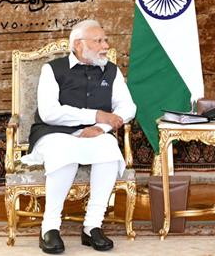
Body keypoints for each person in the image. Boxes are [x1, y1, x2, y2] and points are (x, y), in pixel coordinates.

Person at [22, 19, 136, 254]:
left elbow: (128, 107)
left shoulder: (111, 71)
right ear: (78, 44)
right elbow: (49, 113)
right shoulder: (52, 70)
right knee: (64, 150)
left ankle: (92, 226)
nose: (106, 46)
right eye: (98, 41)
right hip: (53, 132)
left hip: (94, 132)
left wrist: (101, 127)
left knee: (108, 148)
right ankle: (49, 227)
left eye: (105, 40)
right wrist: (95, 115)